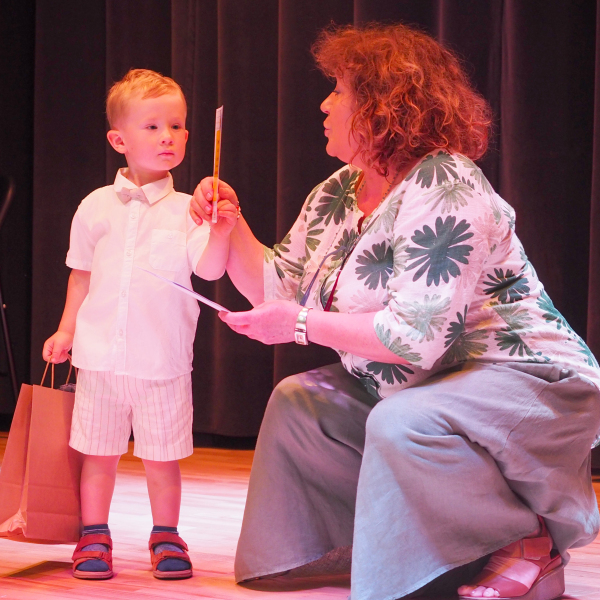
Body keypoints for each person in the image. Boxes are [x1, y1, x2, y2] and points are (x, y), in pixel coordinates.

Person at [190, 23, 600, 600]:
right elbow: (277, 287)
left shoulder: (446, 182)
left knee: (401, 421)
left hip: (522, 379)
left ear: (382, 107)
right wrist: (232, 224)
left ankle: (525, 540)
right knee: (301, 403)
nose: (324, 104)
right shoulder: (339, 190)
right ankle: (393, 552)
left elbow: (415, 338)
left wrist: (302, 325)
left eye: (338, 91)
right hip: (430, 382)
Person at [42, 69, 238, 580]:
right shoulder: (94, 206)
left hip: (162, 361)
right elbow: (81, 276)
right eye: (152, 127)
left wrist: (220, 229)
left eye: (175, 126)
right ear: (119, 140)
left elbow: (209, 270)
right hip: (100, 359)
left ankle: (166, 535)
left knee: (162, 459)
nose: (167, 136)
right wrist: (66, 330)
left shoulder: (190, 209)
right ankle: (94, 534)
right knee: (98, 455)